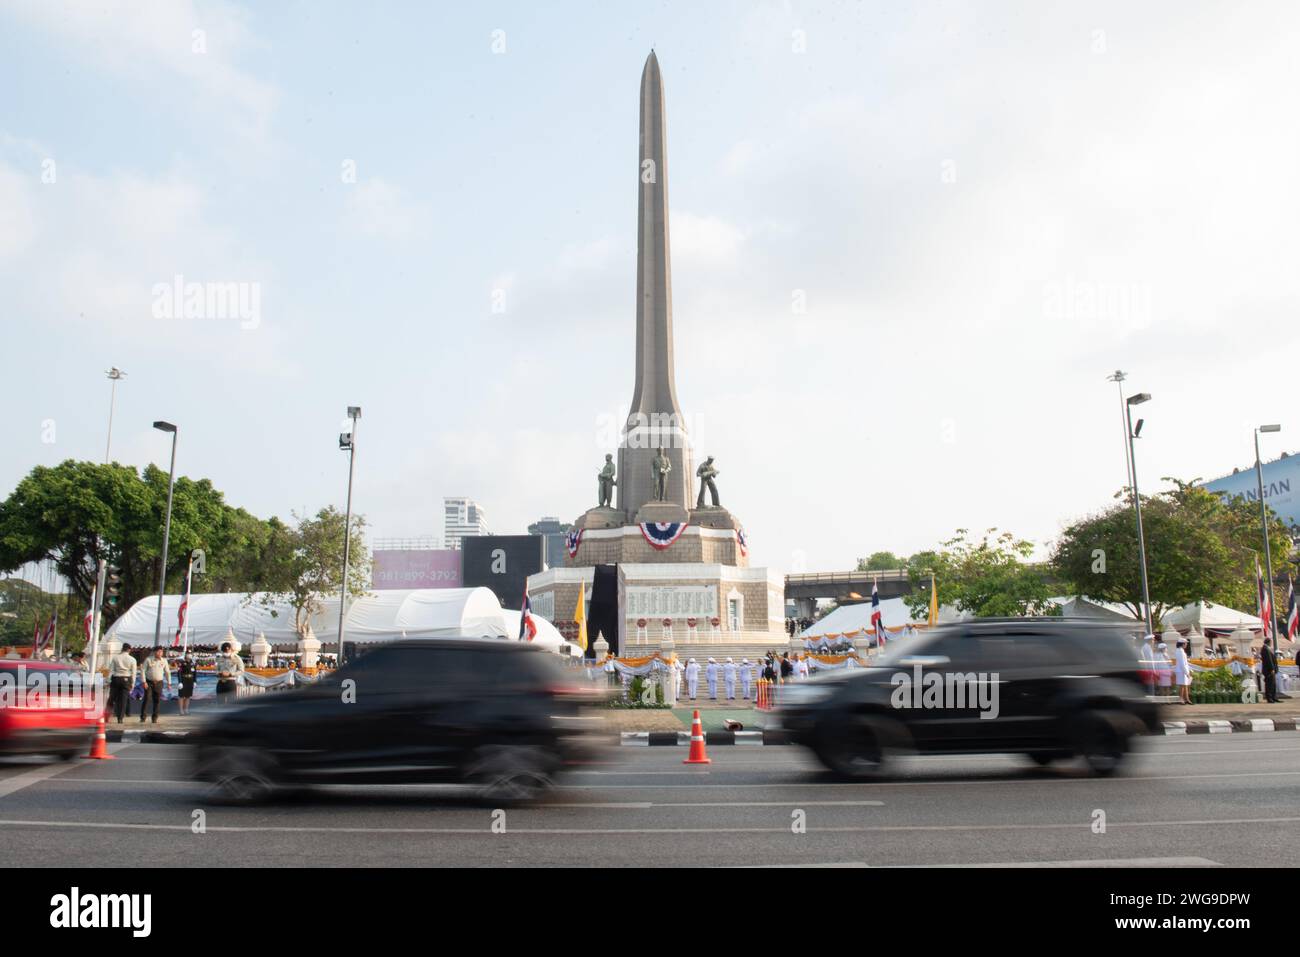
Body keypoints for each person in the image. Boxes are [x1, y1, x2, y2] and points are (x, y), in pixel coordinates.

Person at [139, 646, 172, 723]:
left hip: (159, 682)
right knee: (147, 699)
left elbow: (167, 672)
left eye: (161, 652)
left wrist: (169, 683)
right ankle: (143, 717)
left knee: (157, 700)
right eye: (158, 651)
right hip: (149, 682)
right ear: (154, 652)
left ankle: (155, 718)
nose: (160, 653)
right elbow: (143, 670)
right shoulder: (148, 659)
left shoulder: (164, 661)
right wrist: (144, 682)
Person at [107, 642, 138, 724]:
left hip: (116, 678)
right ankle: (120, 718)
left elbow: (111, 670)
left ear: (122, 649)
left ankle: (107, 716)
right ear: (129, 650)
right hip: (126, 679)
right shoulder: (132, 659)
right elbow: (133, 673)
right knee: (123, 700)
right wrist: (132, 684)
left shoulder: (115, 658)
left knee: (112, 698)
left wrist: (108, 680)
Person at [215, 641, 244, 706]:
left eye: (228, 650)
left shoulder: (237, 658)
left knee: (231, 702)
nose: (226, 652)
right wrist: (219, 673)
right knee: (220, 702)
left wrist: (231, 674)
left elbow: (241, 671)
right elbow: (216, 670)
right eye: (225, 651)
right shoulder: (219, 658)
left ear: (231, 649)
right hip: (221, 681)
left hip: (230, 682)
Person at [1260, 637, 1279, 703]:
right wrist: (1272, 669)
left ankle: (1274, 697)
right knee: (1269, 684)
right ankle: (1270, 698)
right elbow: (1269, 660)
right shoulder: (1265, 649)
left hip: (1270, 670)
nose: (1271, 643)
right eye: (1271, 642)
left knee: (1273, 684)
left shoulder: (1267, 649)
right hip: (1268, 670)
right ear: (1268, 642)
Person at [1173, 638, 1192, 705]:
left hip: (1183, 670)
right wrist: (1187, 673)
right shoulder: (1180, 651)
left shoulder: (1181, 651)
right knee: (1182, 686)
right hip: (1181, 670)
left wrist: (1188, 670)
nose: (1186, 644)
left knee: (1185, 685)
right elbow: (1182, 663)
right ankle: (1181, 699)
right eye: (1186, 643)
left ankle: (1186, 699)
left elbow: (1185, 663)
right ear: (1183, 644)